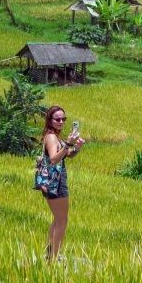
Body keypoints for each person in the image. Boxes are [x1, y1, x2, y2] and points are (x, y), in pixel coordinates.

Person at [39, 106, 84, 261]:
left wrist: (76, 148)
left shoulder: (55, 136)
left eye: (63, 119)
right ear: (50, 121)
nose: (61, 122)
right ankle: (53, 257)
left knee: (57, 219)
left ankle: (50, 252)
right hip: (55, 182)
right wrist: (68, 144)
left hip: (54, 181)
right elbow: (53, 159)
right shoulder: (51, 137)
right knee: (62, 221)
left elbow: (65, 155)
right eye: (57, 119)